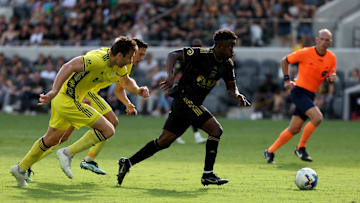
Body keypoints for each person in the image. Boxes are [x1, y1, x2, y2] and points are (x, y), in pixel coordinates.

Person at [116, 29, 251, 186]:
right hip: (184, 98)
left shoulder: (227, 64)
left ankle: (128, 162)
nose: (232, 50)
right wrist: (170, 75)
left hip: (192, 104)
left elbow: (231, 88)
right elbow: (172, 55)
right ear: (220, 46)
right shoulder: (201, 54)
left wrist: (237, 95)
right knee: (216, 130)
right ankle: (208, 174)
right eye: (230, 46)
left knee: (163, 142)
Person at [10, 36, 149, 187]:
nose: (131, 61)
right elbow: (67, 66)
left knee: (52, 139)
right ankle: (69, 154)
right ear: (120, 55)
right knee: (108, 129)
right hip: (67, 99)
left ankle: (21, 168)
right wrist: (53, 91)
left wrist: (138, 90)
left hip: (68, 99)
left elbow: (126, 80)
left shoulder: (119, 66)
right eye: (129, 57)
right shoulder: (97, 60)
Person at [264, 29, 336, 164]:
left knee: (294, 128)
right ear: (317, 40)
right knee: (317, 117)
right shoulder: (305, 52)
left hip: (310, 95)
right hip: (299, 92)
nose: (325, 42)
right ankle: (300, 148)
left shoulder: (331, 58)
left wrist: (331, 78)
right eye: (322, 39)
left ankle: (270, 151)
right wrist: (286, 79)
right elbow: (285, 61)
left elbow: (330, 75)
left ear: (330, 42)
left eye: (327, 40)